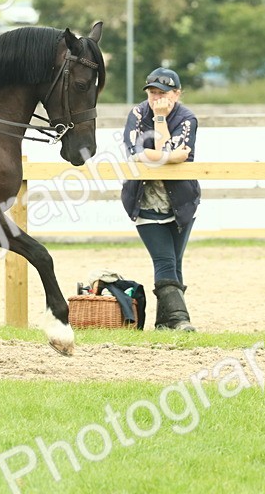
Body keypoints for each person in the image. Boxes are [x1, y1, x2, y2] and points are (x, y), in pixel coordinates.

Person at [120, 67, 201, 331]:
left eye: (163, 93)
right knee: (164, 261)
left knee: (175, 264)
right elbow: (136, 154)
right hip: (144, 202)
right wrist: (168, 156)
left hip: (181, 203)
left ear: (177, 94)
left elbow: (167, 154)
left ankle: (164, 324)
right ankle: (180, 320)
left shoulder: (187, 118)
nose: (157, 98)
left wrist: (160, 122)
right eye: (153, 92)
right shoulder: (137, 113)